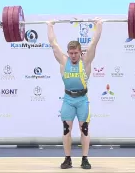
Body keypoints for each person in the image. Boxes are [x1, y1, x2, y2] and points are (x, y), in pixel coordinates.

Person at [46, 18, 103, 169]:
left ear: (80, 52)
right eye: (70, 53)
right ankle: (67, 159)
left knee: (84, 129)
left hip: (82, 100)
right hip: (68, 100)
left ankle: (85, 159)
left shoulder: (85, 61)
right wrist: (50, 26)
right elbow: (53, 43)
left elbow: (94, 43)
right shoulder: (64, 61)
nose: (72, 56)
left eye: (75, 53)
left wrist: (99, 25)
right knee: (66, 129)